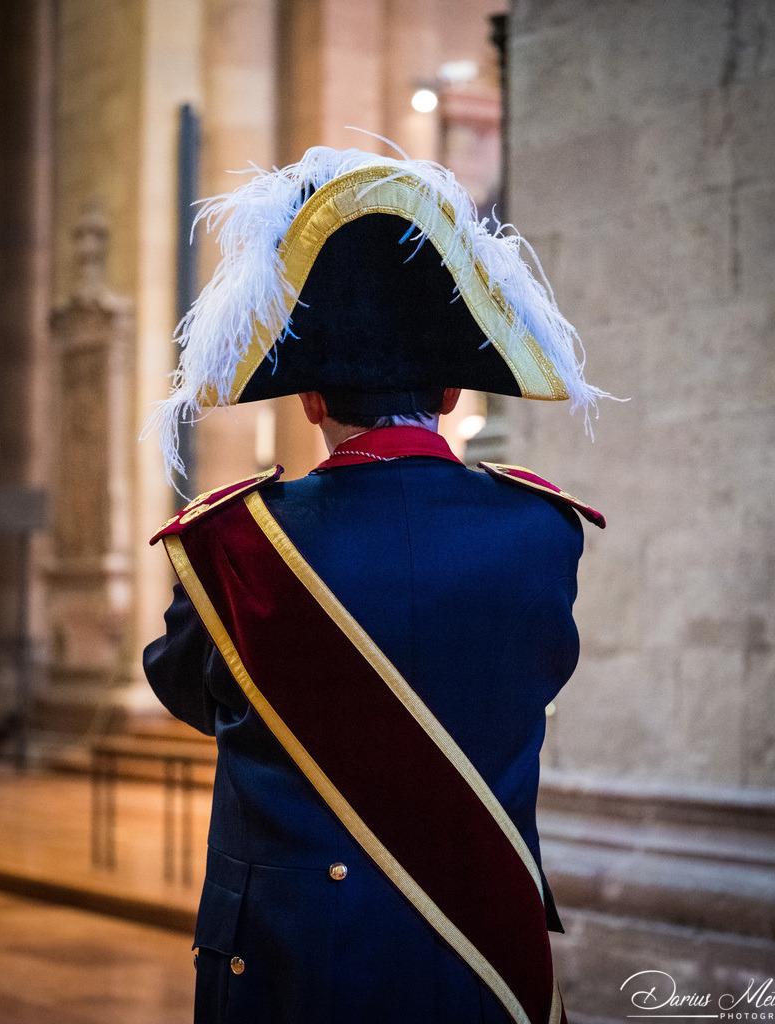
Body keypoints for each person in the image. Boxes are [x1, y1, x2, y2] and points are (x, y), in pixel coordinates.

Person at [143, 145, 609, 1024]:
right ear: (451, 391)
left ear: (310, 399)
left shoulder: (234, 542)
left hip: (292, 960)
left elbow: (187, 690)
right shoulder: (543, 533)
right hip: (478, 954)